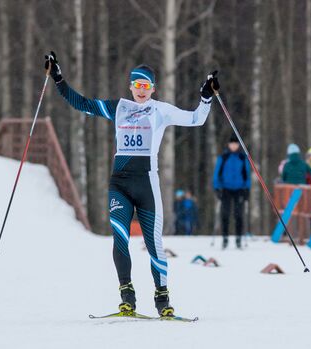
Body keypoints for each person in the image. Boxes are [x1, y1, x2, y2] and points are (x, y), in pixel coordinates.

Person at [44, 51, 218, 317]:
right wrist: (58, 79)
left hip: (147, 185)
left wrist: (205, 96)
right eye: (137, 85)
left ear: (153, 88)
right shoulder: (119, 107)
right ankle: (127, 296)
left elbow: (197, 118)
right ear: (130, 86)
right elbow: (81, 103)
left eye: (146, 86)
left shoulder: (161, 110)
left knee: (154, 243)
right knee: (120, 238)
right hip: (120, 184)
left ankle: (163, 300)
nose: (141, 90)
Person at [213, 134, 251, 249]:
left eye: (235, 144)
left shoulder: (242, 157)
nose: (234, 146)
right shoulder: (223, 157)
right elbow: (217, 173)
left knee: (239, 214)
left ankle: (238, 238)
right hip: (226, 189)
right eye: (232, 144)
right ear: (229, 144)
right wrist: (217, 187)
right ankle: (225, 238)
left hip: (239, 189)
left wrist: (247, 189)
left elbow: (247, 174)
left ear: (238, 145)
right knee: (225, 214)